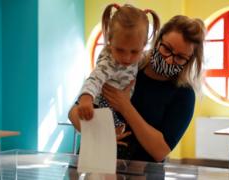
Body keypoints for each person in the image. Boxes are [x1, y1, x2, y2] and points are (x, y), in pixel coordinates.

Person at [70, 14, 205, 162]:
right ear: (157, 40)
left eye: (180, 57)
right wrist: (101, 134)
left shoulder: (184, 94)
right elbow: (74, 113)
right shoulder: (127, 67)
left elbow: (160, 151)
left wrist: (125, 107)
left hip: (143, 173)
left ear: (190, 61)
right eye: (167, 48)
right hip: (96, 164)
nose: (169, 59)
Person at [69, 4, 160, 153]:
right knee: (104, 146)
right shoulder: (109, 61)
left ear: (143, 46)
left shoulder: (141, 57)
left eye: (134, 51)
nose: (127, 57)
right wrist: (86, 98)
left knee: (114, 137)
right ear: (110, 41)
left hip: (116, 108)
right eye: (120, 50)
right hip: (100, 104)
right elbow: (95, 79)